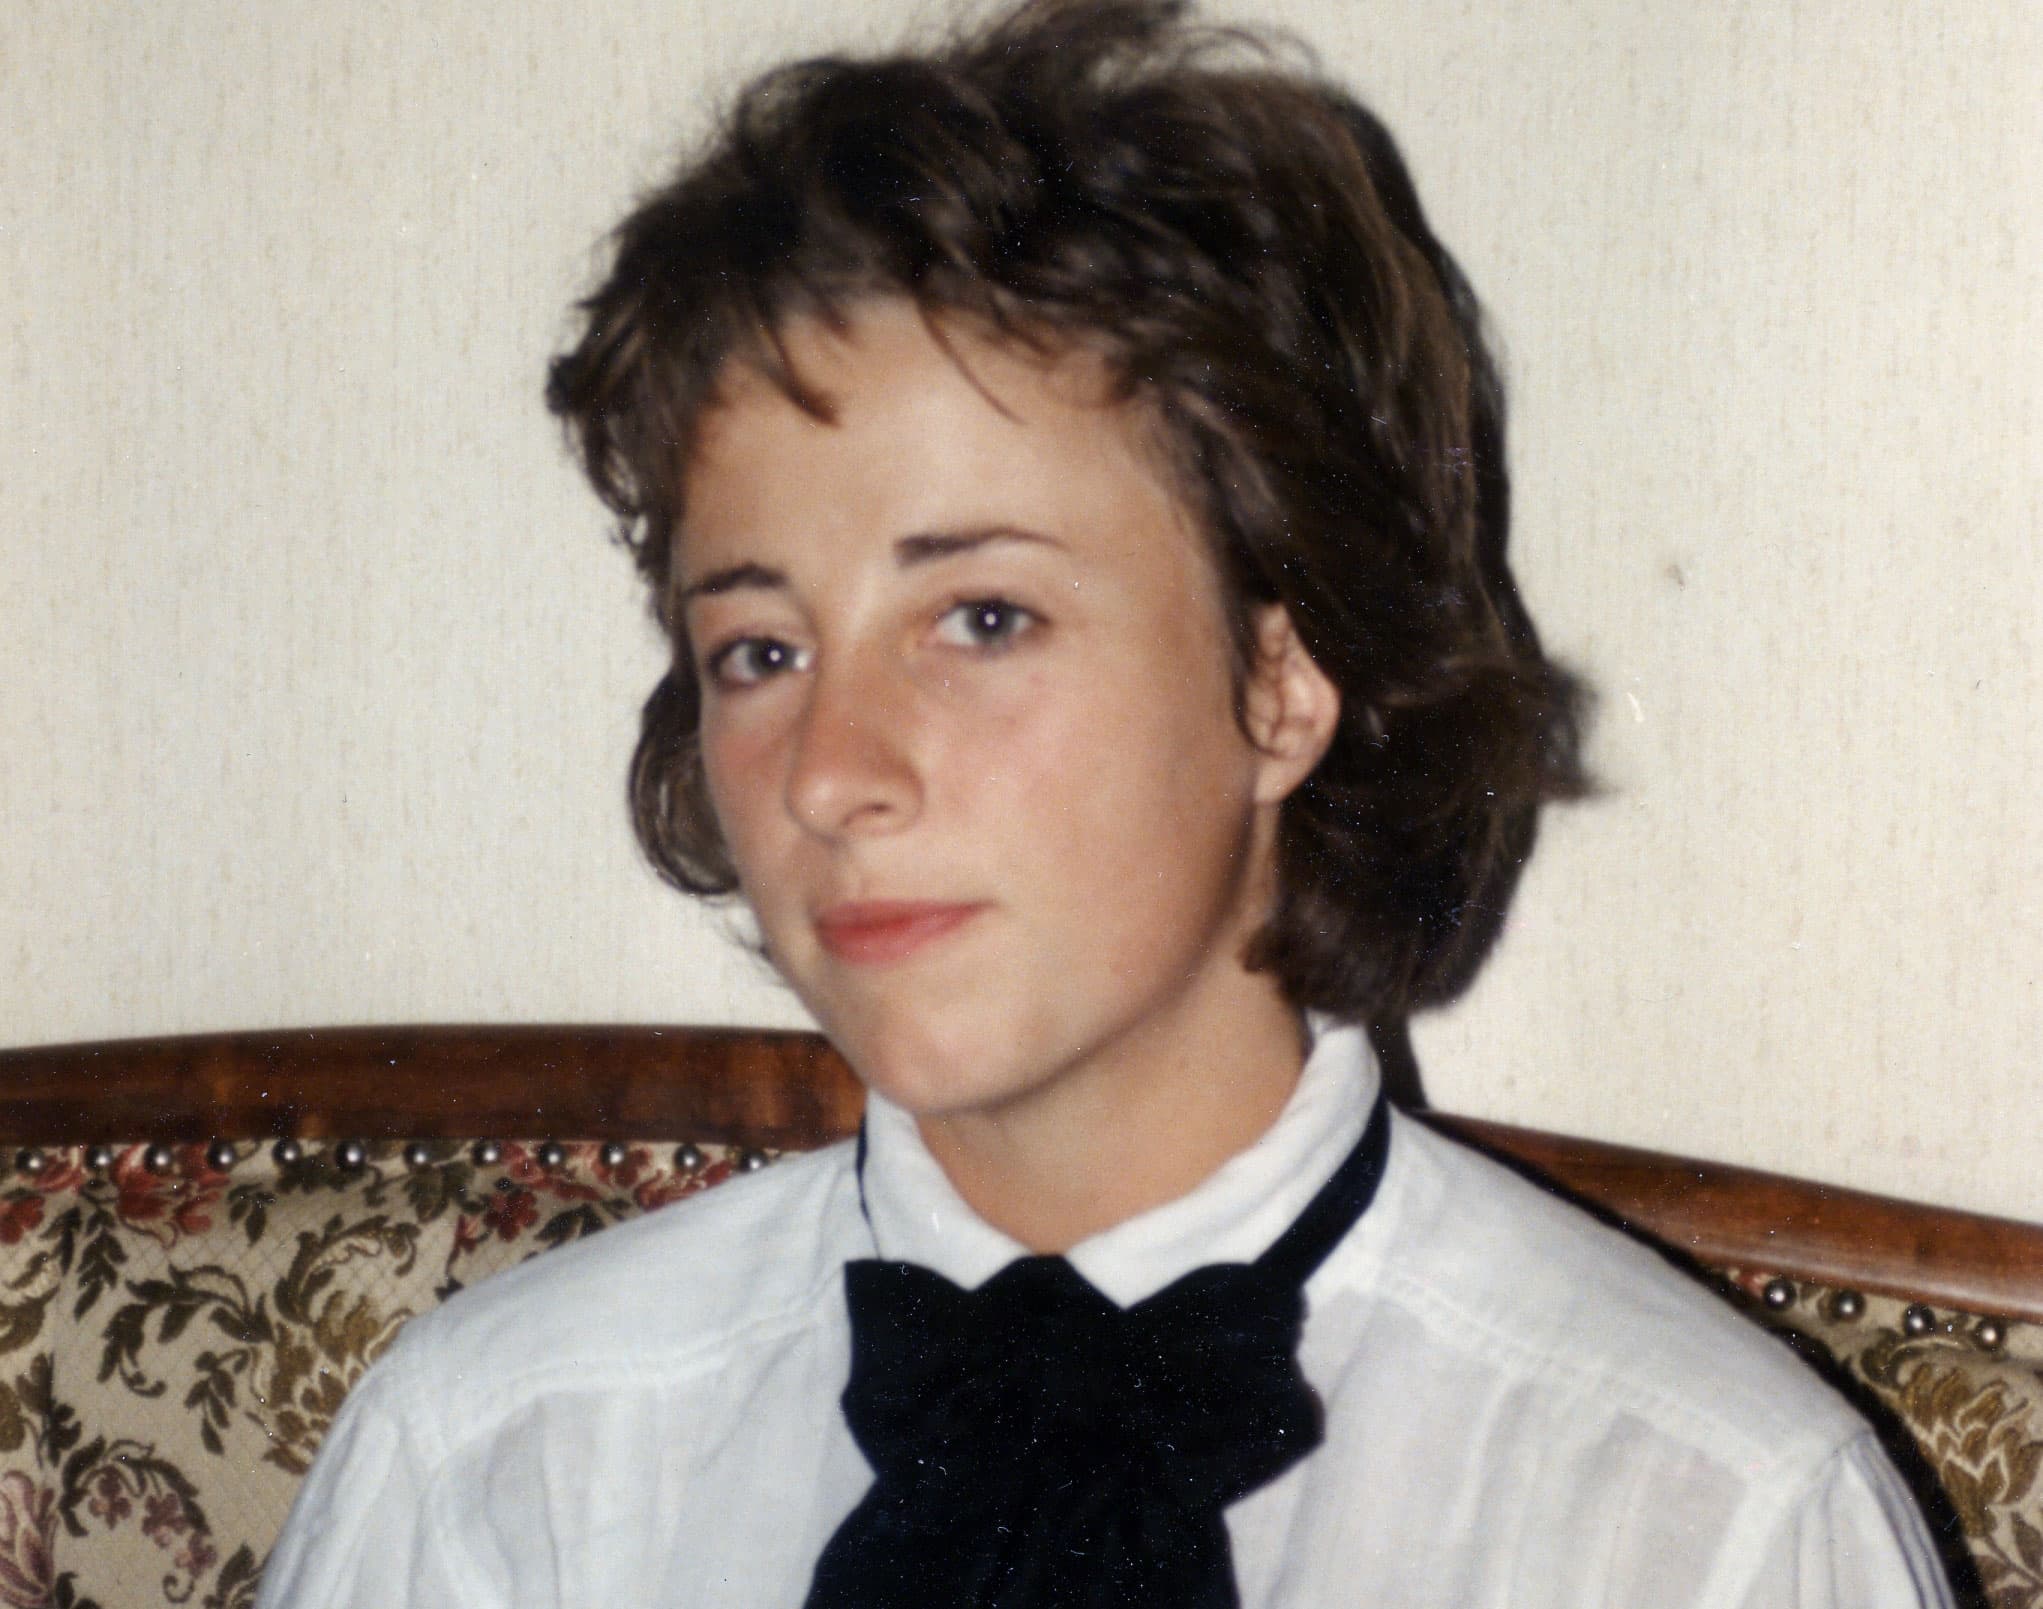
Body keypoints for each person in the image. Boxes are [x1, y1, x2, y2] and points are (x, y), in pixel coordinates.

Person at [259, 1, 1956, 1603]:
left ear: (1282, 683)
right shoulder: (504, 1462)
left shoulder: (1701, 1524)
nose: (835, 772)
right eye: (760, 649)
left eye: (984, 619)